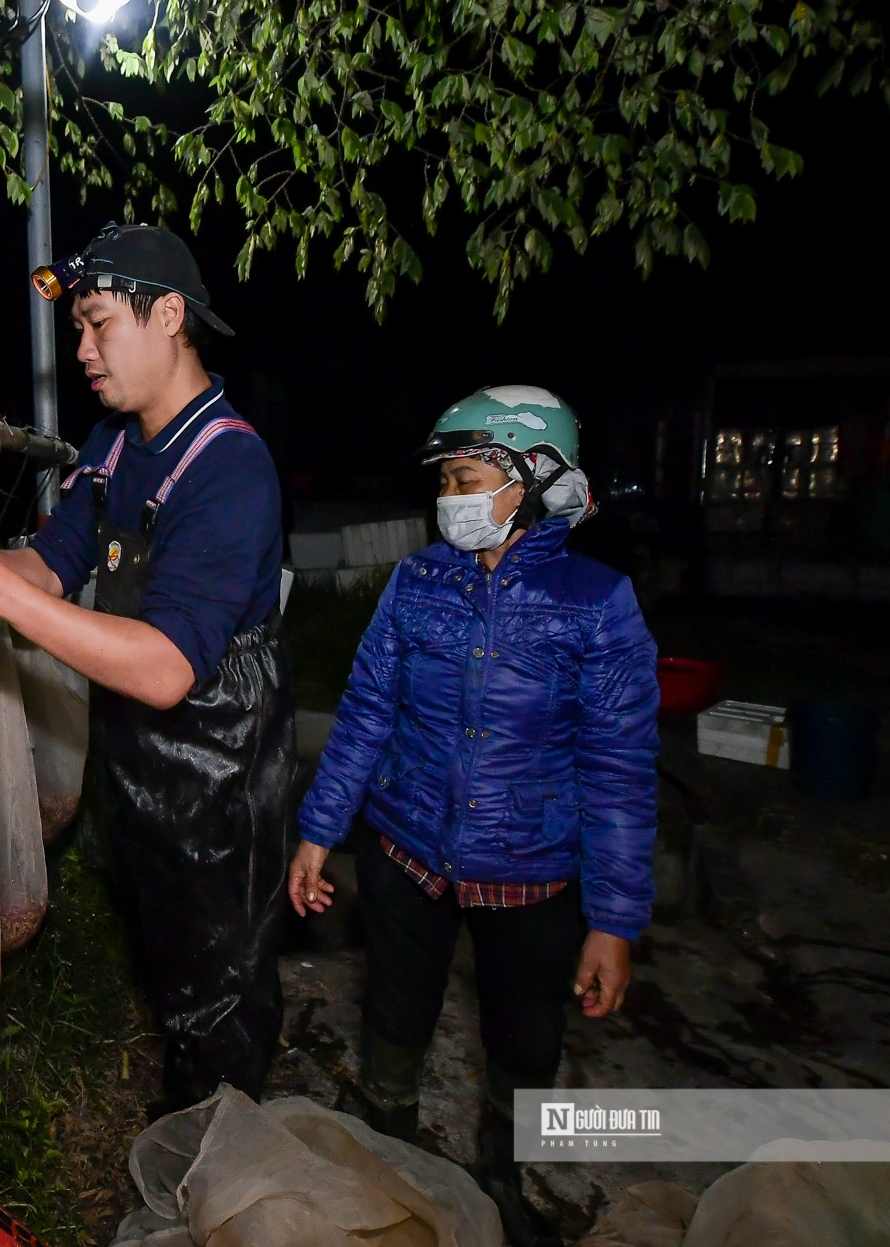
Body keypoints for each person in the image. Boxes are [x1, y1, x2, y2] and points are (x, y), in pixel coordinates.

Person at [0, 224, 295, 1114]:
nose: (81, 350)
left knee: (222, 995)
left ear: (167, 317)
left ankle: (220, 1151)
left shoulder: (230, 467)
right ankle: (188, 1120)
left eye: (96, 324)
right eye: (75, 328)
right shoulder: (114, 444)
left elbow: (164, 668)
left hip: (221, 777)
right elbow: (50, 562)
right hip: (140, 761)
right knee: (171, 966)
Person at [286, 387, 659, 1247]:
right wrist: (319, 828)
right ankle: (389, 1147)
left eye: (466, 475)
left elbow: (620, 771)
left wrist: (615, 919)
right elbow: (367, 711)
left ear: (533, 479)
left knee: (525, 1039)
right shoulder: (418, 581)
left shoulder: (598, 601)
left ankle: (502, 1169)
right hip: (406, 853)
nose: (449, 494)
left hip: (534, 876)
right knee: (394, 1012)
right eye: (445, 479)